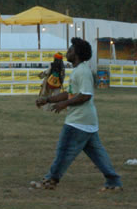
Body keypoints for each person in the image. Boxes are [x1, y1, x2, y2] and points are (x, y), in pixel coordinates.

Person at [31, 38, 122, 191]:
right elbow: (71, 93)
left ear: (77, 54)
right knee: (98, 155)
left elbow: (85, 95)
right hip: (87, 122)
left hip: (78, 121)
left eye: (71, 50)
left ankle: (50, 180)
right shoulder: (78, 71)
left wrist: (63, 104)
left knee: (63, 151)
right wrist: (48, 99)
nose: (68, 52)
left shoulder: (83, 72)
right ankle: (113, 182)